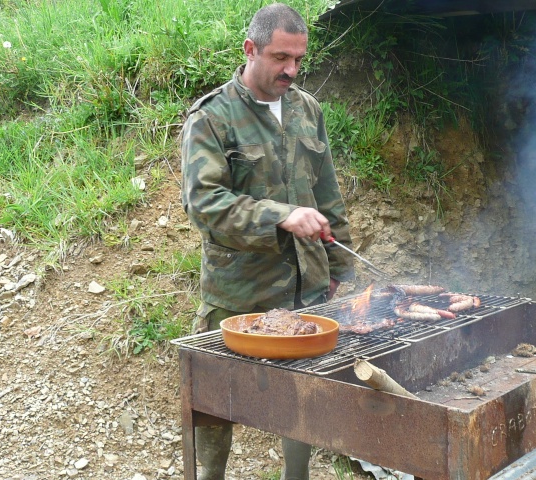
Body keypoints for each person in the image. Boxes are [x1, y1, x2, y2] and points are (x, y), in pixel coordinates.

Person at [180, 3, 355, 480]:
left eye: (299, 59)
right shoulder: (213, 118)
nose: (291, 70)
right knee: (215, 405)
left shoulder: (307, 109)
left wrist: (339, 268)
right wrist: (281, 215)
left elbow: (328, 194)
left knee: (303, 399)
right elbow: (204, 204)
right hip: (237, 293)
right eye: (281, 58)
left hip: (305, 287)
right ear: (250, 50)